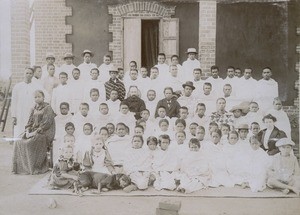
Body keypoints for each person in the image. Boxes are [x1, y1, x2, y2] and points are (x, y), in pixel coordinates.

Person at [12, 90, 56, 174]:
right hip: (33, 130)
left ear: (43, 97)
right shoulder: (33, 108)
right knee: (18, 140)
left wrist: (36, 131)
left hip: (44, 132)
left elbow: (47, 123)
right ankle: (21, 167)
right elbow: (30, 121)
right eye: (35, 97)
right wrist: (28, 130)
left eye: (39, 97)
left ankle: (34, 167)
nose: (37, 99)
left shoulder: (47, 108)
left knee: (31, 142)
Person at [11, 67, 46, 138]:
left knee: (30, 129)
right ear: (24, 74)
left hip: (32, 112)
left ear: (33, 75)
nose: (28, 75)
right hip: (20, 112)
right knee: (19, 130)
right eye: (27, 73)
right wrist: (13, 115)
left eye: (30, 73)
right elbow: (14, 101)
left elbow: (43, 98)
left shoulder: (37, 86)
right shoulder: (17, 86)